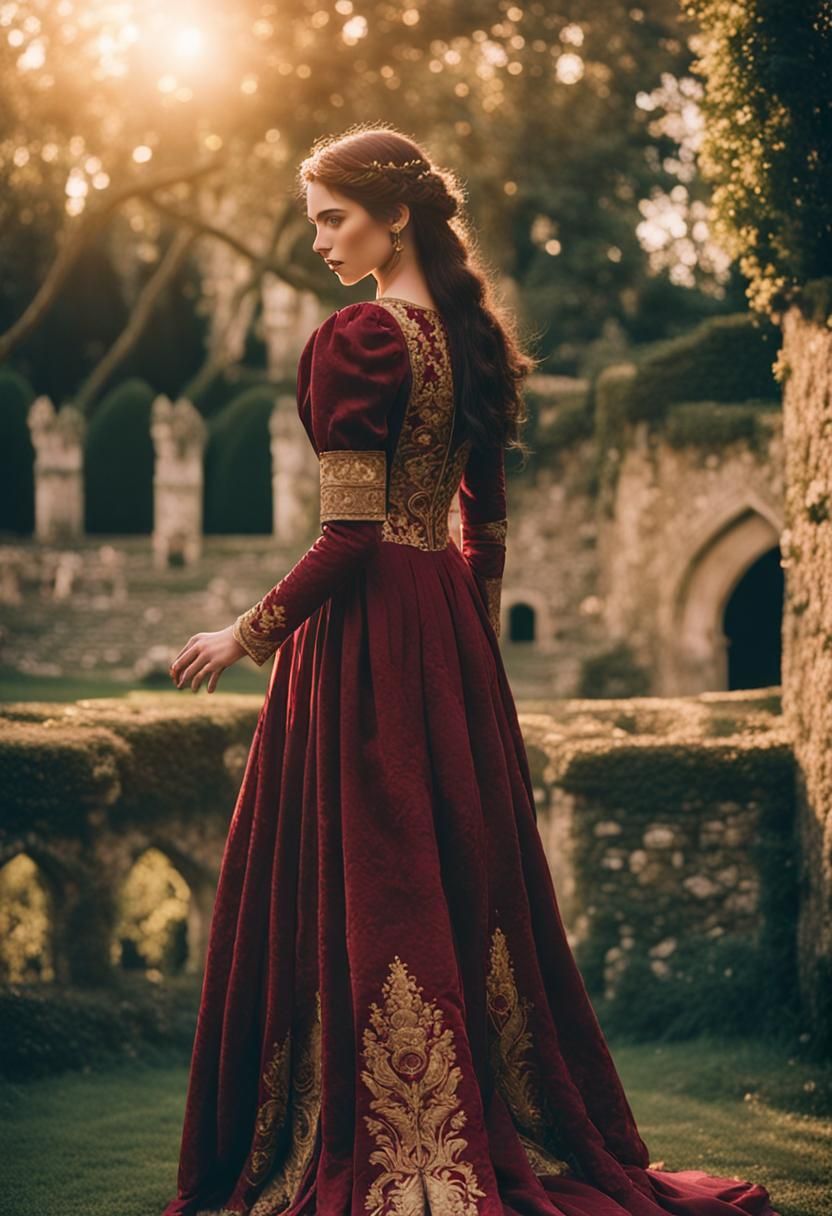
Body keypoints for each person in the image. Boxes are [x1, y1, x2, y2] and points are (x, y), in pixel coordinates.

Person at [163, 126, 780, 1216]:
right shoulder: (471, 336)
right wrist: (465, 656)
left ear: (392, 215)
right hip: (439, 627)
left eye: (331, 217)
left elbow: (350, 535)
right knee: (447, 874)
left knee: (365, 873)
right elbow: (484, 529)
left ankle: (369, 1139)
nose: (318, 240)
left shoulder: (362, 336)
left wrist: (242, 634)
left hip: (363, 634)